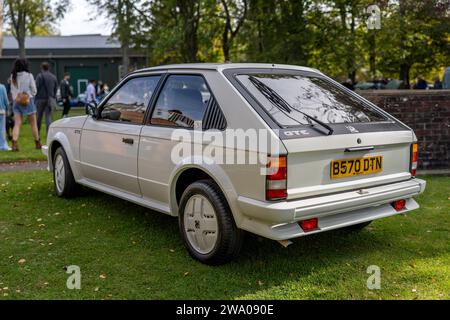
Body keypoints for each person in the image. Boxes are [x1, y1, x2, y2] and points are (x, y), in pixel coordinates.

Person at [9, 59, 40, 152]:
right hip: (28, 101)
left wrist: (17, 98)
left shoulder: (13, 76)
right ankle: (37, 143)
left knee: (17, 124)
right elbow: (34, 90)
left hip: (17, 101)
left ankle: (14, 144)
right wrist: (29, 95)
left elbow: (12, 91)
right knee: (33, 124)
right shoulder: (29, 75)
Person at [35, 62, 58, 136]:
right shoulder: (53, 77)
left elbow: (36, 87)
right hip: (50, 99)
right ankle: (49, 133)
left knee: (39, 116)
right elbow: (56, 88)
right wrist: (53, 96)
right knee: (48, 117)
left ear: (41, 68)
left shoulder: (39, 76)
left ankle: (37, 132)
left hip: (40, 99)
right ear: (48, 68)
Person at [0, 83, 11, 151]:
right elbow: (6, 100)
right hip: (1, 111)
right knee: (2, 129)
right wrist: (8, 108)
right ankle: (3, 146)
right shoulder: (2, 87)